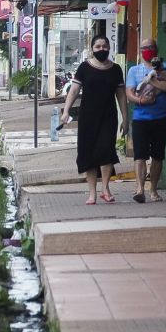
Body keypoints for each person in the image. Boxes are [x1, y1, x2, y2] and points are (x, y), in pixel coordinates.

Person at [60, 35, 128, 205]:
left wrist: (126, 118)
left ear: (109, 48)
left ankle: (105, 188)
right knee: (88, 153)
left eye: (104, 46)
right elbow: (74, 90)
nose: (101, 49)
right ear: (92, 49)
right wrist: (66, 111)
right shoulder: (84, 68)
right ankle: (92, 193)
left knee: (106, 151)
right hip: (88, 117)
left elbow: (121, 95)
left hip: (108, 116)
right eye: (98, 47)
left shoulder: (116, 69)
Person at [125, 38, 166, 203]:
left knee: (157, 156)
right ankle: (139, 189)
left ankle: (153, 190)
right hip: (140, 119)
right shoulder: (134, 70)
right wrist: (140, 100)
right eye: (144, 48)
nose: (148, 50)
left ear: (157, 49)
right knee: (139, 155)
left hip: (161, 118)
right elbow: (129, 93)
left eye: (151, 47)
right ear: (140, 51)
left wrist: (153, 80)